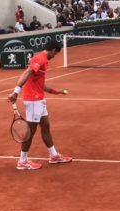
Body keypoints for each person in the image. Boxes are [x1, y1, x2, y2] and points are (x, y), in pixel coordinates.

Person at [7, 40, 72, 170]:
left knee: (45, 126)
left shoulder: (43, 60)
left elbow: (39, 82)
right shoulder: (40, 59)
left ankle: (53, 155)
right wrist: (16, 92)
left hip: (39, 99)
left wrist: (54, 91)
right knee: (30, 131)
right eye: (55, 54)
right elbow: (27, 73)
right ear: (54, 50)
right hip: (33, 100)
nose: (54, 57)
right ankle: (22, 161)